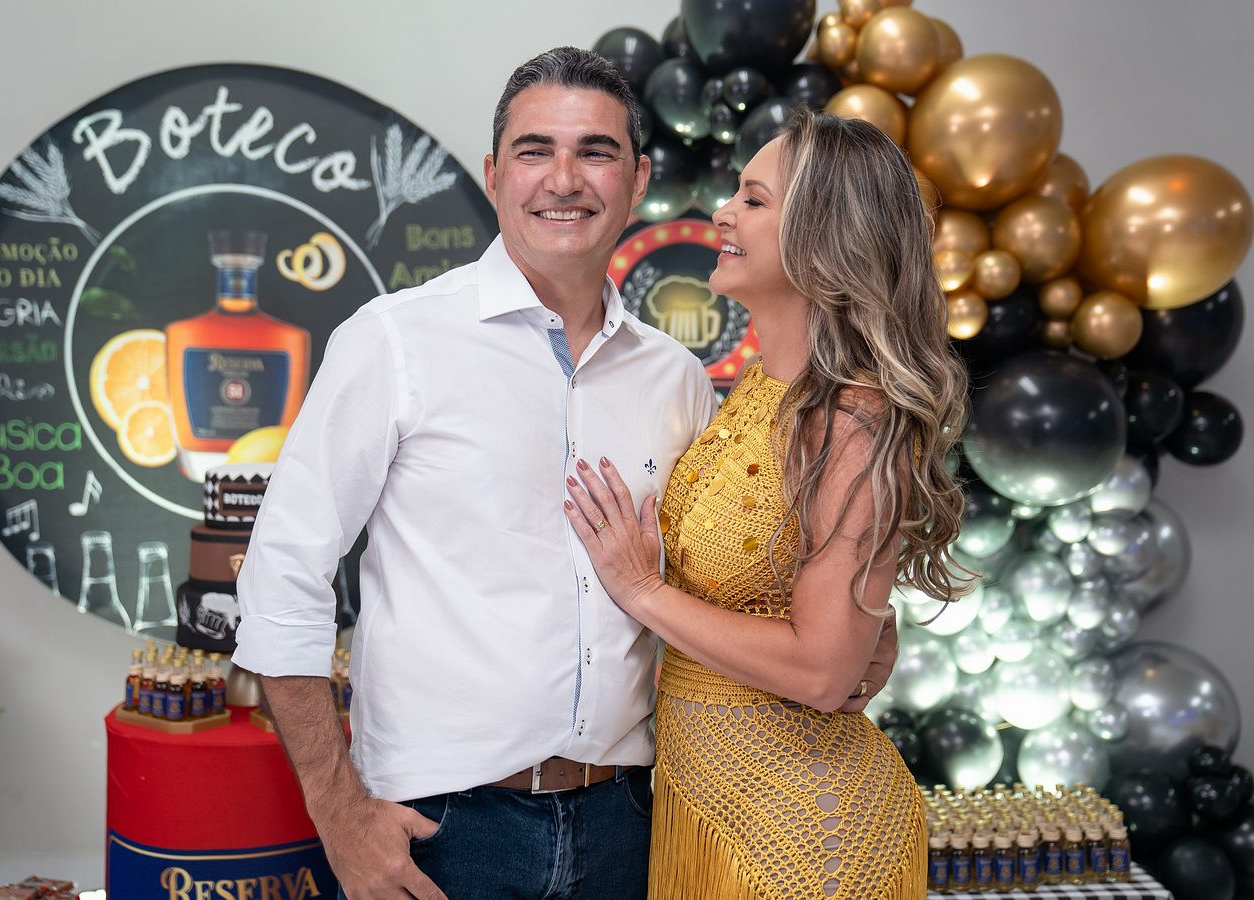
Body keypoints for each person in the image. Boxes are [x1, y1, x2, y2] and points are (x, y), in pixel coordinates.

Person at [234, 49, 897, 900]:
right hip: (443, 829)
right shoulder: (395, 340)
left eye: (595, 152)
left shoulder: (678, 378)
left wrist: (865, 631)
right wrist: (337, 810)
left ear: (638, 179)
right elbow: (281, 575)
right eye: (534, 150)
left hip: (633, 825)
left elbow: (746, 570)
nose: (563, 179)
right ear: (494, 174)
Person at [564, 109, 970, 899]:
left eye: (754, 200)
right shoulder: (761, 389)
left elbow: (821, 671)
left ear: (824, 239)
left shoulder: (853, 421)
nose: (722, 213)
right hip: (711, 809)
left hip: (804, 841)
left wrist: (643, 592)